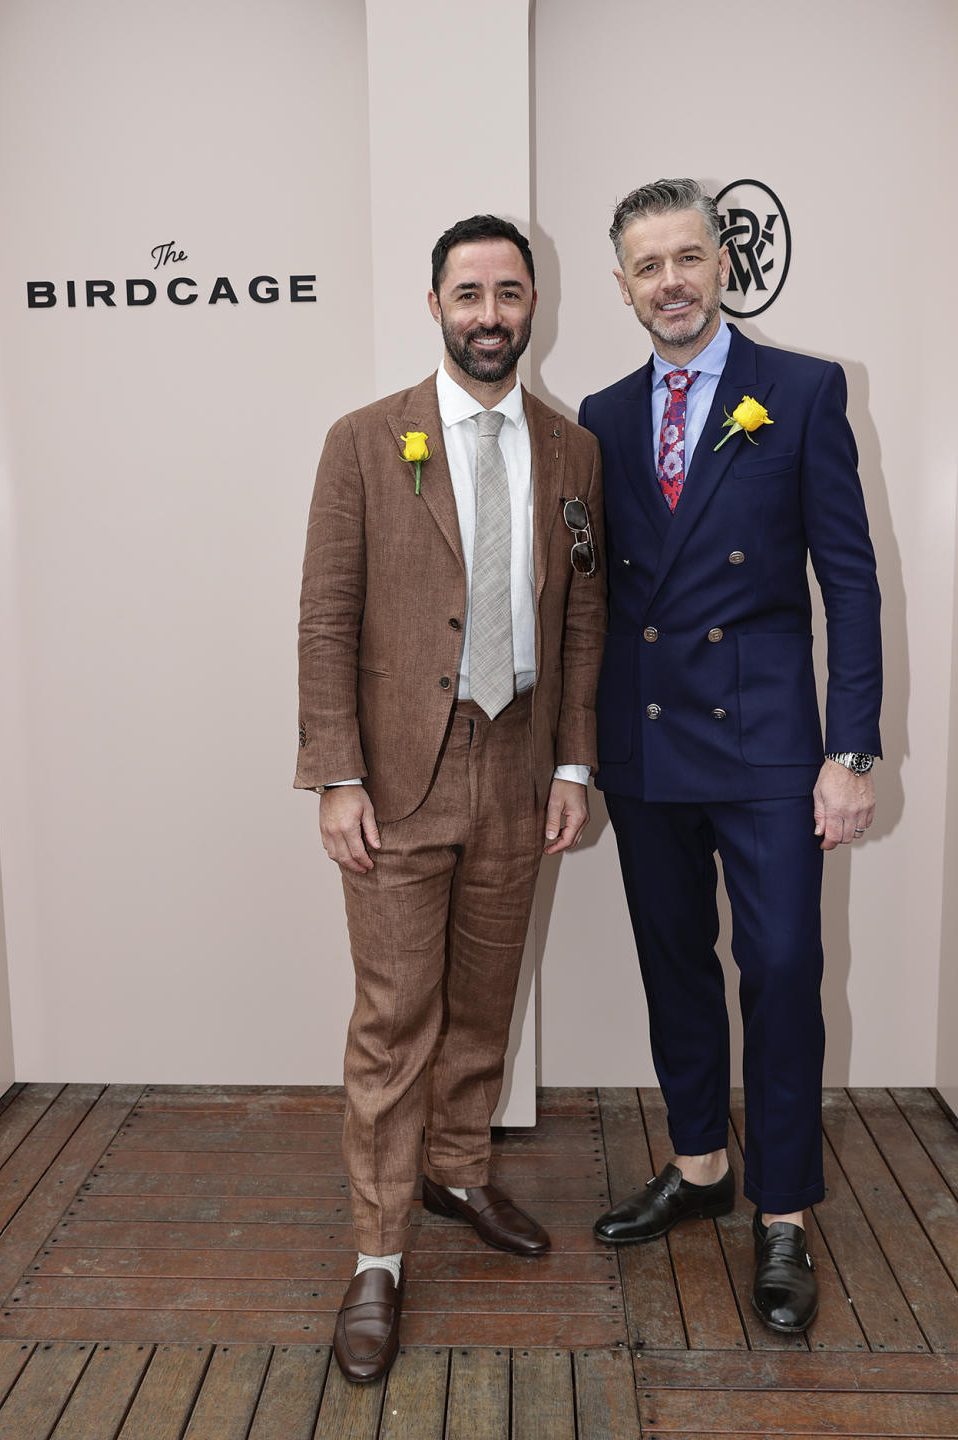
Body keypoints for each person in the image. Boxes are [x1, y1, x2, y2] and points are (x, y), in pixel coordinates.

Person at [296, 214, 606, 1382]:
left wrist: (574, 765)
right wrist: (335, 774)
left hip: (520, 766)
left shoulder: (572, 451)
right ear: (435, 304)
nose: (490, 314)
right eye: (469, 293)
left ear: (535, 306)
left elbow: (582, 620)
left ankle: (460, 1169)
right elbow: (327, 616)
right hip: (397, 774)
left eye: (509, 293)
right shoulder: (365, 440)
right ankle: (376, 1256)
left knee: (484, 998)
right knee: (393, 1019)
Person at [579, 178, 881, 1333]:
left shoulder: (799, 390)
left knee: (785, 969)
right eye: (648, 266)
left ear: (723, 263)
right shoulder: (603, 414)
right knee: (674, 963)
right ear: (622, 285)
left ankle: (786, 1212)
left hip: (767, 747)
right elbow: (598, 596)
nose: (671, 282)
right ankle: (701, 1165)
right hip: (646, 742)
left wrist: (850, 748)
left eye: (689, 258)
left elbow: (847, 583)